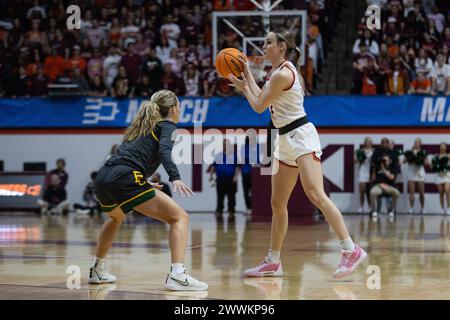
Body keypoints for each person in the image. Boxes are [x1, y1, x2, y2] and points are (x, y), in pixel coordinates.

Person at [228, 29, 367, 279]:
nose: (264, 46)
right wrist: (247, 78)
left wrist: (246, 80)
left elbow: (259, 105)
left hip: (300, 135)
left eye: (268, 42)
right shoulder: (276, 73)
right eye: (263, 42)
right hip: (283, 139)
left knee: (316, 194)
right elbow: (261, 98)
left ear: (282, 46)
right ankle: (273, 261)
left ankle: (351, 249)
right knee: (277, 203)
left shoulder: (283, 73)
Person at [89, 90, 207, 291]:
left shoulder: (140, 127)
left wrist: (142, 179)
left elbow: (130, 157)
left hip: (104, 176)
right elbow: (164, 151)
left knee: (116, 217)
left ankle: (98, 269)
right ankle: (178, 275)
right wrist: (175, 177)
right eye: (178, 105)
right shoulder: (167, 125)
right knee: (180, 218)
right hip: (126, 178)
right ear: (172, 109)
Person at [209, 139, 240, 222]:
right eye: (224, 144)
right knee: (220, 196)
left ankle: (231, 211)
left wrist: (236, 177)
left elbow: (237, 167)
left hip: (230, 179)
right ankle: (219, 210)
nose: (225, 146)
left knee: (231, 196)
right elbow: (213, 166)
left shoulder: (234, 155)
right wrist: (211, 176)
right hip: (220, 179)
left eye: (227, 144)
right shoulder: (218, 155)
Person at [369, 154, 400, 218]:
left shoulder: (392, 167)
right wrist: (374, 168)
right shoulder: (377, 167)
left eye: (385, 160)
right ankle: (374, 210)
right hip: (378, 185)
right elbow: (372, 179)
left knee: (396, 193)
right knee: (372, 192)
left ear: (389, 160)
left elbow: (392, 177)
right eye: (383, 160)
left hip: (389, 186)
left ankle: (391, 210)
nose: (384, 161)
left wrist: (384, 170)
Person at [403, 138, 428, 214]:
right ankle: (411, 208)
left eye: (418, 142)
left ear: (420, 144)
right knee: (411, 192)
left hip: (420, 173)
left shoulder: (423, 152)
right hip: (411, 173)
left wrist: (421, 160)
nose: (416, 144)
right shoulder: (410, 152)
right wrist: (409, 158)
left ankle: (422, 208)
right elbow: (404, 161)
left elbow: (427, 162)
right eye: (415, 142)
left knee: (421, 192)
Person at [355, 137, 374, 213]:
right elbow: (355, 161)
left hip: (370, 172)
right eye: (368, 141)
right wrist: (360, 158)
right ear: (365, 143)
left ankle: (370, 207)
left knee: (369, 191)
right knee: (362, 190)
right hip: (362, 172)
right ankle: (361, 206)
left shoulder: (373, 151)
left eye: (370, 141)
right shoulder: (360, 151)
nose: (369, 143)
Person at [432, 143, 450, 215]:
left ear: (446, 148)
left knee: (447, 190)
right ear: (439, 148)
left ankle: (449, 208)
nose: (442, 148)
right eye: (441, 146)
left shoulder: (448, 156)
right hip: (439, 175)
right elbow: (432, 166)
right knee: (441, 193)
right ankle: (442, 209)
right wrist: (434, 166)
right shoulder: (436, 157)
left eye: (444, 146)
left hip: (446, 175)